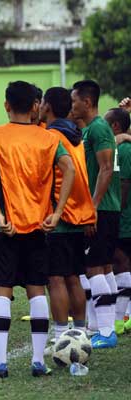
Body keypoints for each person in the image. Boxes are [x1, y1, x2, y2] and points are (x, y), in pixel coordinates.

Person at [0, 81, 75, 378]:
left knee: (2, 290)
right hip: (38, 224)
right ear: (35, 107)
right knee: (36, 290)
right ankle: (37, 361)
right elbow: (69, 168)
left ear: (6, 105)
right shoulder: (48, 138)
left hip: (3, 225)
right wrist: (57, 212)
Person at [39, 87, 96, 347]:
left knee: (56, 278)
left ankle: (60, 334)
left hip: (58, 216)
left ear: (47, 106)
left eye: (41, 102)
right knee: (74, 276)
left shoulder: (51, 137)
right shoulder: (75, 135)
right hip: (80, 214)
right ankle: (81, 332)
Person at [71, 80, 121, 349]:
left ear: (87, 102)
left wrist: (91, 208)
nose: (72, 105)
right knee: (102, 266)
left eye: (74, 100)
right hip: (104, 208)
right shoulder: (92, 129)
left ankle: (105, 330)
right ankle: (103, 326)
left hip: (101, 209)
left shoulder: (99, 128)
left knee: (93, 268)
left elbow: (106, 169)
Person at [104, 107, 131, 335]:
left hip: (123, 217)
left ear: (114, 126)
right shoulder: (117, 145)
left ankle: (119, 320)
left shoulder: (124, 150)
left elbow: (124, 183)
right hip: (120, 216)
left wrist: (117, 210)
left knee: (120, 261)